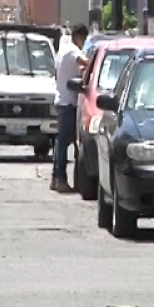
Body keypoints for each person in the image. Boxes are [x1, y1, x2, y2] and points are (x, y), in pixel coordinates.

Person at [51, 23, 89, 193]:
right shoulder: (73, 50)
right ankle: (60, 179)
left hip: (61, 99)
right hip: (68, 103)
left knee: (61, 142)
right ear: (79, 37)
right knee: (64, 143)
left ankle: (55, 178)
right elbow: (85, 63)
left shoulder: (63, 51)